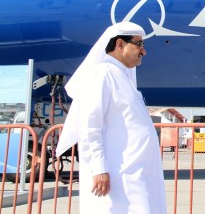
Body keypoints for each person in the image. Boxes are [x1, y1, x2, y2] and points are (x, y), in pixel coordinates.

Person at [56, 22, 167, 213]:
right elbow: (90, 125)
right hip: (119, 177)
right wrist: (99, 168)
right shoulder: (102, 74)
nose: (144, 51)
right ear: (120, 45)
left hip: (135, 176)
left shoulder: (121, 76)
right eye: (139, 44)